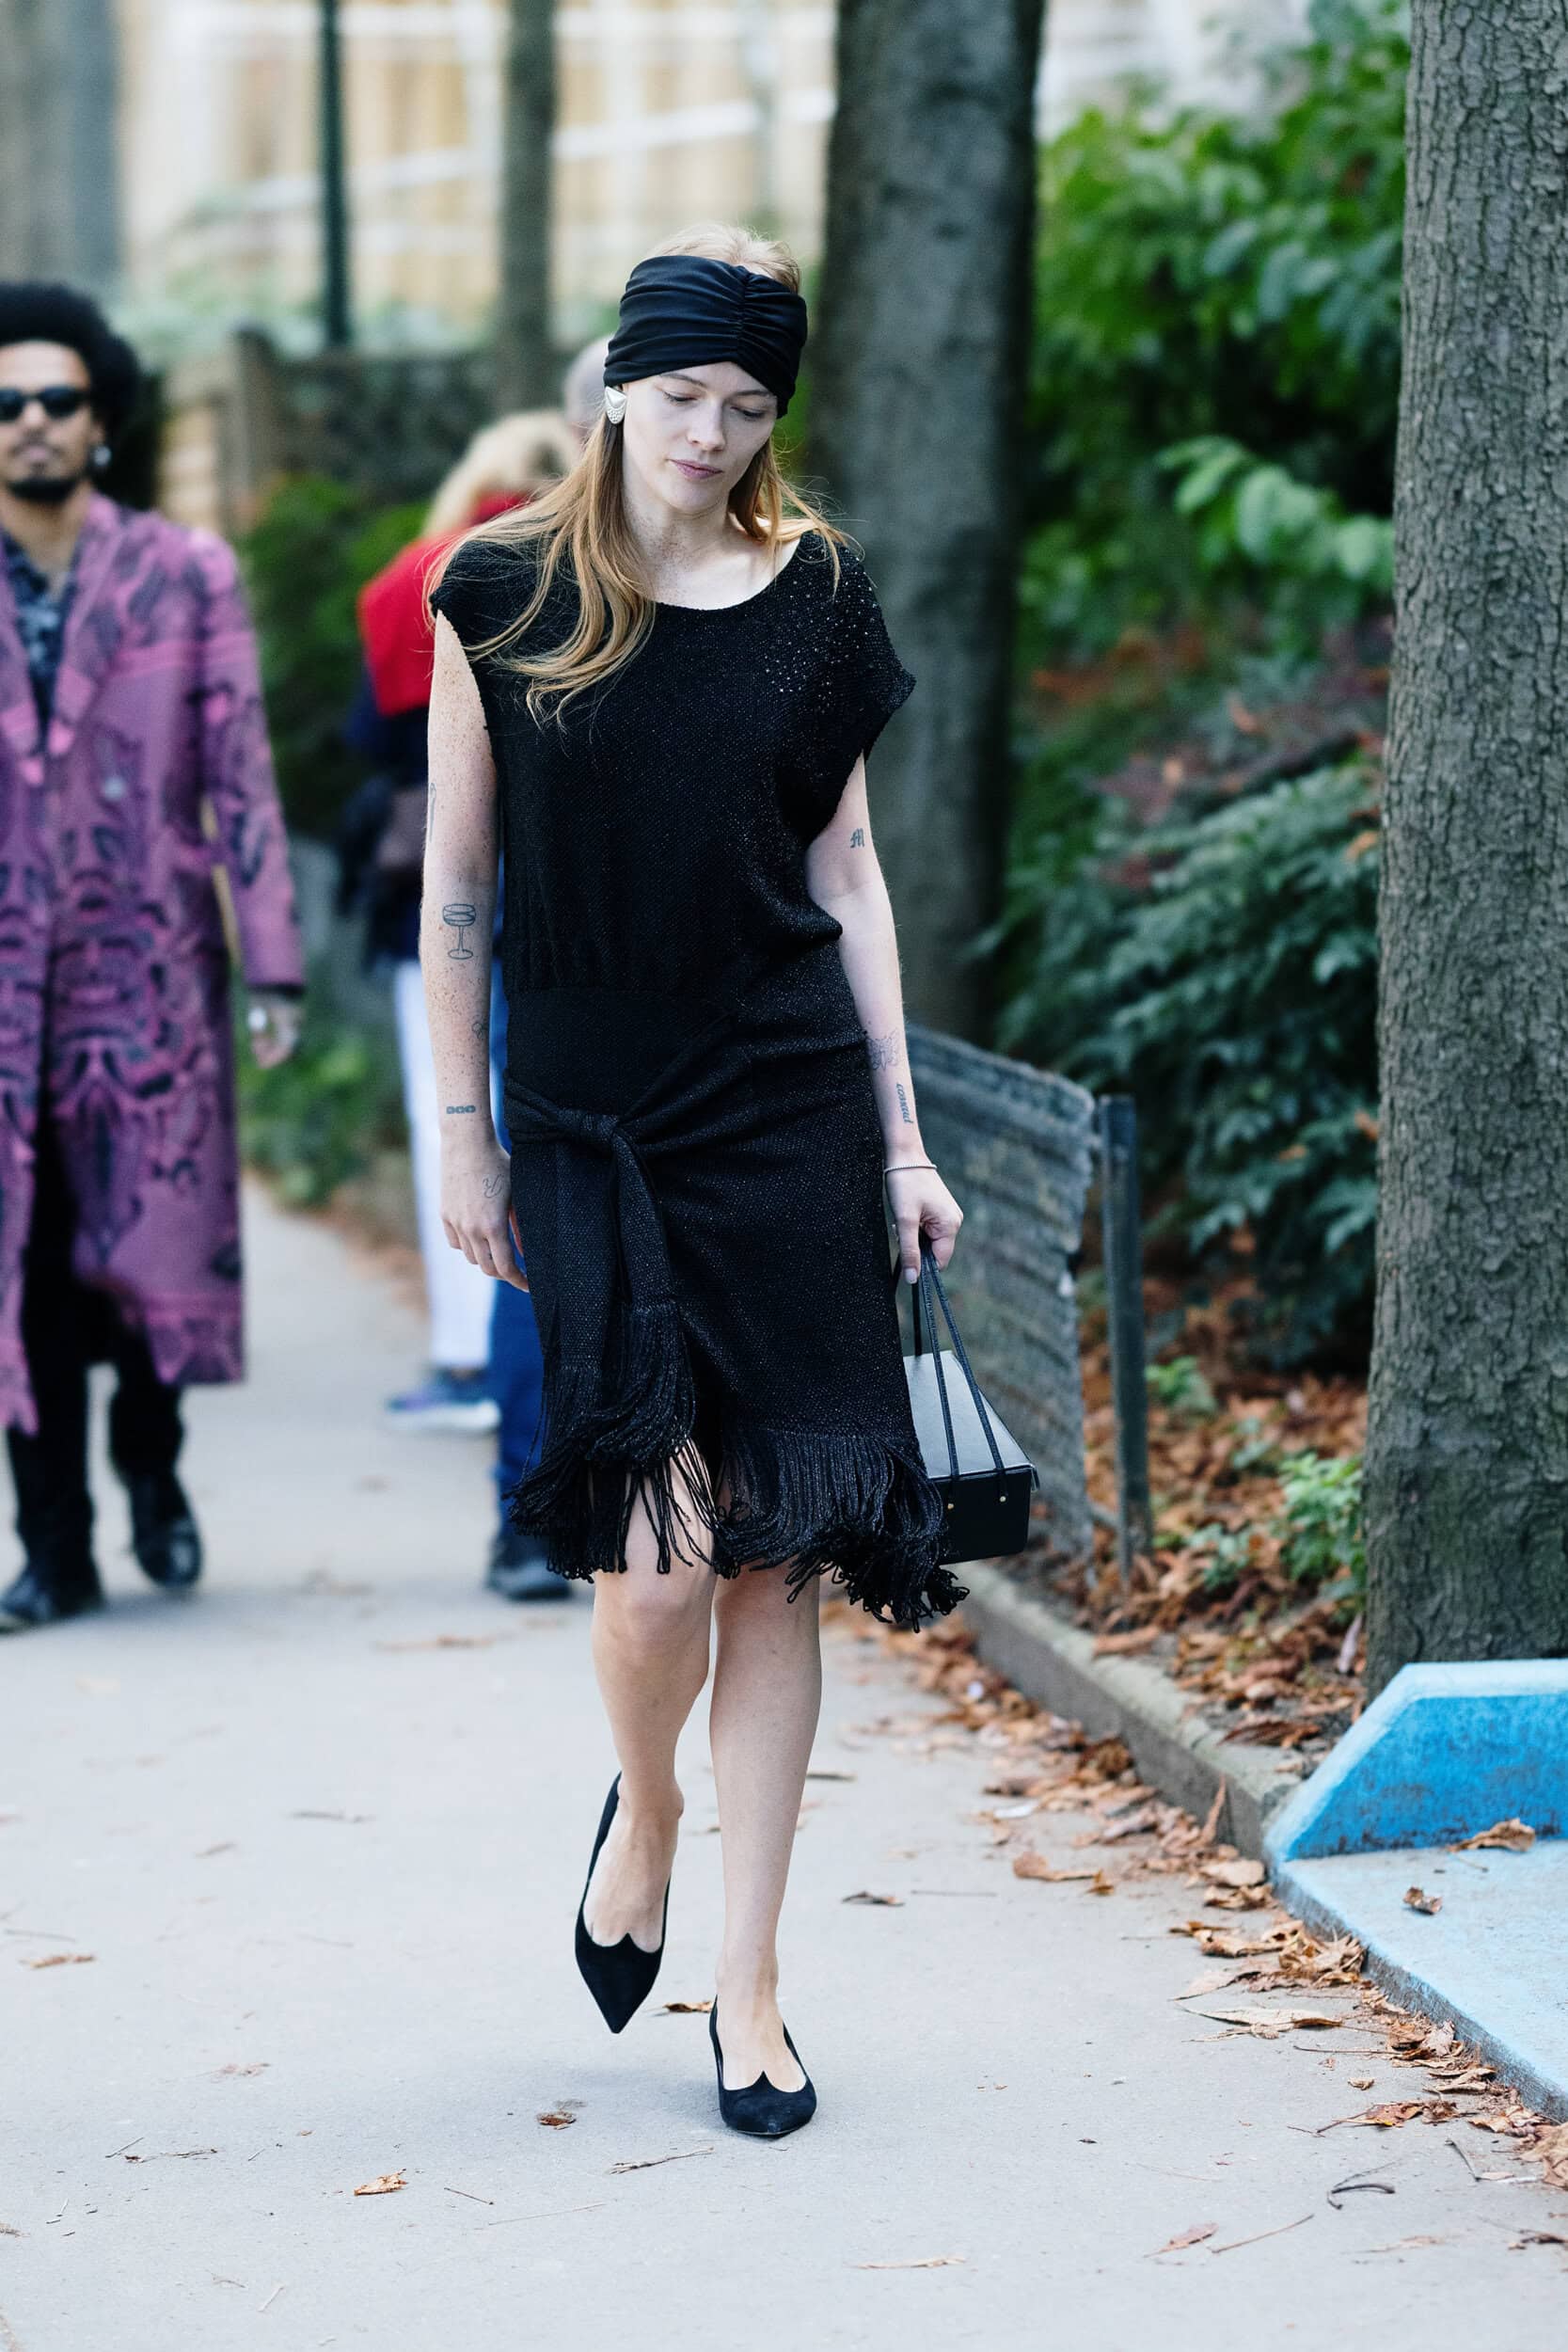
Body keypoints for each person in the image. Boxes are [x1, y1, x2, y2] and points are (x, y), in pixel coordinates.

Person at [421, 225, 966, 2137]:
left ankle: (749, 1980)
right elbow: (459, 889)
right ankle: (642, 1812)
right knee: (648, 1579)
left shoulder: (813, 595)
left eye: (743, 405)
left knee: (768, 1564)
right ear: (615, 384)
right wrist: (463, 1134)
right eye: (679, 397)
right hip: (594, 1131)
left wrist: (901, 1138)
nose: (709, 434)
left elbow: (847, 877)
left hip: (786, 1115)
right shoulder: (500, 591)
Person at [0, 283, 303, 1633]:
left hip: (149, 977)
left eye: (57, 399)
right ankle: (53, 1549)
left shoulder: (186, 571)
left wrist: (273, 964)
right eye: (6, 403)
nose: (31, 422)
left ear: (100, 418)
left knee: (144, 1253)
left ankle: (152, 1465)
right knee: (22, 1267)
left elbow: (242, 775)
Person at [345, 413, 577, 1460]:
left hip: (440, 878)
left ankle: (466, 1356)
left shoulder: (420, 579)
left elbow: (369, 734)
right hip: (565, 893)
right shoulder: (590, 571)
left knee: (456, 1122)